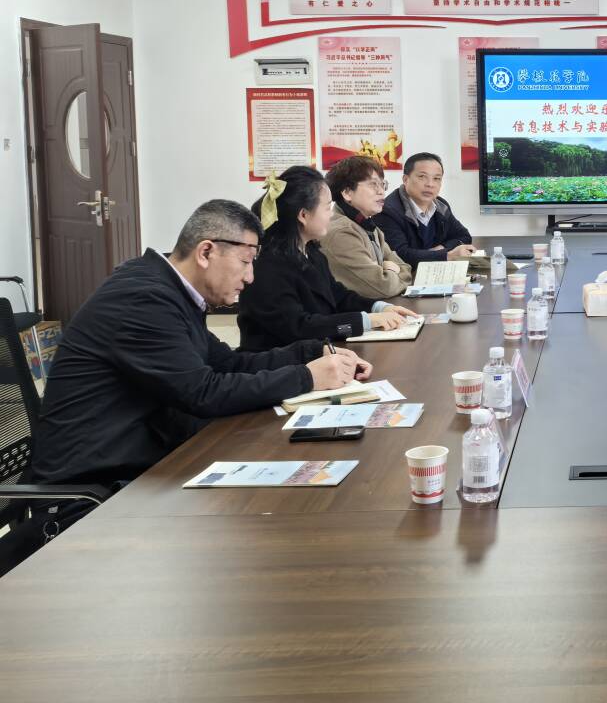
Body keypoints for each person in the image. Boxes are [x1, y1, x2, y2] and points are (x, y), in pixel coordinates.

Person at [18, 200, 369, 559]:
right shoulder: (143, 299)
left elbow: (228, 363)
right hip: (91, 501)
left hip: (147, 472)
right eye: (246, 262)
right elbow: (203, 392)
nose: (250, 277)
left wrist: (310, 352)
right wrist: (306, 378)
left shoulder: (169, 290)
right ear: (206, 252)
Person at [237, 166, 419, 351]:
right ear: (303, 215)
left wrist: (378, 307)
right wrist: (366, 320)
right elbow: (299, 327)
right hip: (280, 361)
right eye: (327, 208)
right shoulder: (269, 265)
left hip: (318, 353)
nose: (331, 214)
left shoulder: (312, 252)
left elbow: (338, 296)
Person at [320, 155, 414, 299]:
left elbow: (406, 268)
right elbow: (383, 287)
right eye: (373, 184)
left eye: (383, 184)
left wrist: (392, 271)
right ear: (347, 193)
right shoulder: (341, 233)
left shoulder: (369, 226)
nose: (381, 191)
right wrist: (394, 271)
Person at [374, 151, 477, 266]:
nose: (430, 184)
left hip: (435, 271)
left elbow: (464, 236)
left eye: (436, 178)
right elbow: (400, 255)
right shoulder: (387, 211)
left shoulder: (441, 206)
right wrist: (447, 255)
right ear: (405, 179)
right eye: (422, 177)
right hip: (405, 275)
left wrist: (441, 248)